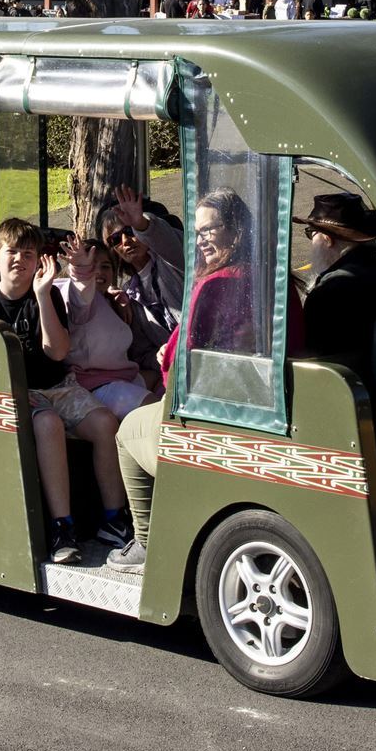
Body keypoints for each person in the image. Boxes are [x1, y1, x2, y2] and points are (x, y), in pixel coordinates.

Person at [110, 188, 266, 570]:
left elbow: (188, 354)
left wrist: (168, 358)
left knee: (128, 431)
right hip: (244, 399)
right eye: (114, 239)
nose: (201, 241)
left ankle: (148, 541)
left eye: (209, 230)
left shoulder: (207, 280)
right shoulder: (268, 279)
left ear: (235, 232)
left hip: (209, 408)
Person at [0, 218, 126, 564]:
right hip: (17, 393)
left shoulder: (47, 294)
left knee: (105, 423)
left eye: (29, 253)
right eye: (12, 252)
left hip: (57, 386)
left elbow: (57, 352)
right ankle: (61, 527)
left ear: (40, 261)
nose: (19, 259)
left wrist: (41, 295)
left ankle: (114, 519)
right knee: (48, 424)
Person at [56, 237, 149, 420]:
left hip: (122, 378)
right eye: (92, 264)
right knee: (154, 411)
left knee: (166, 386)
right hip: (94, 385)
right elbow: (81, 291)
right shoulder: (77, 300)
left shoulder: (110, 300)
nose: (98, 271)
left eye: (106, 266)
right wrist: (82, 269)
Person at [298, 192, 376, 357]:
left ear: (327, 239)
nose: (312, 243)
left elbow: (312, 357)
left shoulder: (331, 290)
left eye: (311, 233)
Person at [97, 185, 182, 374]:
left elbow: (166, 239)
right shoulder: (129, 294)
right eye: (115, 238)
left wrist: (141, 223)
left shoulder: (172, 262)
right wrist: (160, 357)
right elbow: (142, 352)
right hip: (177, 372)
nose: (125, 241)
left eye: (130, 230)